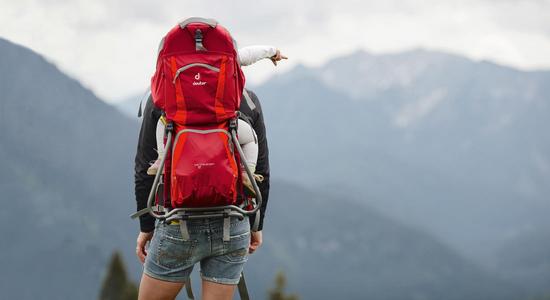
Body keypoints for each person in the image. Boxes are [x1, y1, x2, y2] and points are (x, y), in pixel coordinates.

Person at [134, 85, 274, 299]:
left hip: (177, 223)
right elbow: (260, 170)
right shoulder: (245, 97)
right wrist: (256, 224)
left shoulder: (161, 96)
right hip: (233, 219)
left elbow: (145, 169)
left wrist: (146, 226)